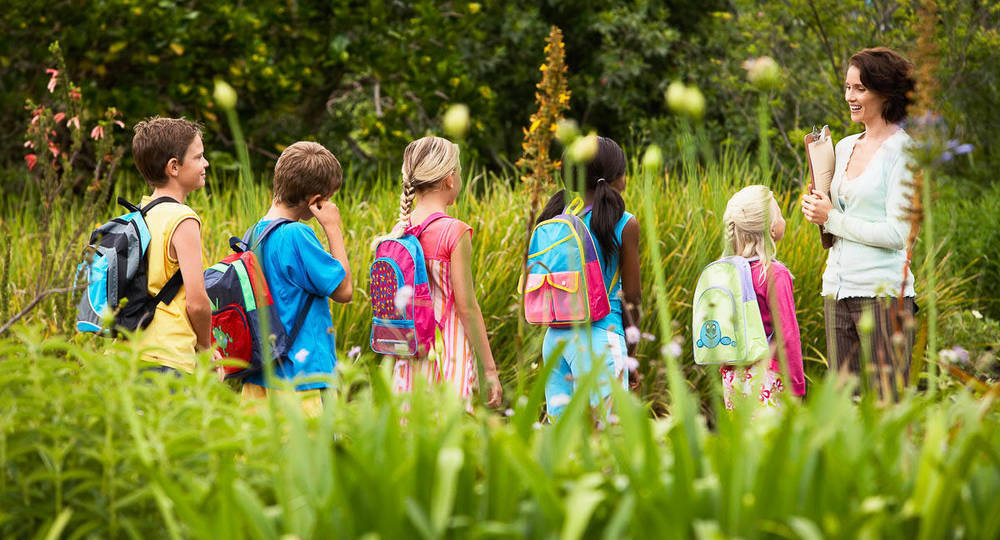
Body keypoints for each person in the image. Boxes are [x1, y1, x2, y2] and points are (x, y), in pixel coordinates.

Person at [801, 47, 917, 397]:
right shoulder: (846, 145)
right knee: (843, 414)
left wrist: (833, 218)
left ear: (886, 93)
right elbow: (840, 215)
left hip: (884, 297)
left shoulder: (904, 151)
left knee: (888, 408)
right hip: (837, 289)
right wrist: (818, 207)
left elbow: (898, 234)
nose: (849, 96)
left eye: (860, 89)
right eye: (848, 87)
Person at [382, 136, 503, 410]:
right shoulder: (454, 231)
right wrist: (490, 370)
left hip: (409, 351)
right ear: (450, 179)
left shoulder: (400, 231)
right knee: (449, 436)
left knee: (411, 437)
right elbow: (467, 307)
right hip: (448, 352)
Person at [240, 141, 353, 416]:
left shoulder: (252, 235)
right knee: (309, 456)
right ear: (316, 200)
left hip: (259, 374)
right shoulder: (297, 235)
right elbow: (344, 290)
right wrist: (333, 227)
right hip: (301, 379)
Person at [538, 136, 642, 420]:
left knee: (563, 437)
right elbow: (632, 298)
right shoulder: (624, 223)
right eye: (623, 171)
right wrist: (631, 357)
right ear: (613, 178)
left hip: (555, 339)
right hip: (601, 338)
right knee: (604, 441)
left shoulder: (556, 218)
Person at [132, 117, 212, 375]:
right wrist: (206, 348)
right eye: (199, 157)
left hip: (129, 351)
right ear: (174, 167)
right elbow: (198, 302)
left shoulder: (141, 215)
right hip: (169, 355)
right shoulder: (182, 219)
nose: (205, 163)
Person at [719, 186, 806, 409]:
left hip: (733, 378)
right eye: (780, 215)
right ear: (771, 228)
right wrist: (797, 387)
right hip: (767, 379)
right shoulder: (774, 274)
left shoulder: (726, 272)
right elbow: (788, 335)